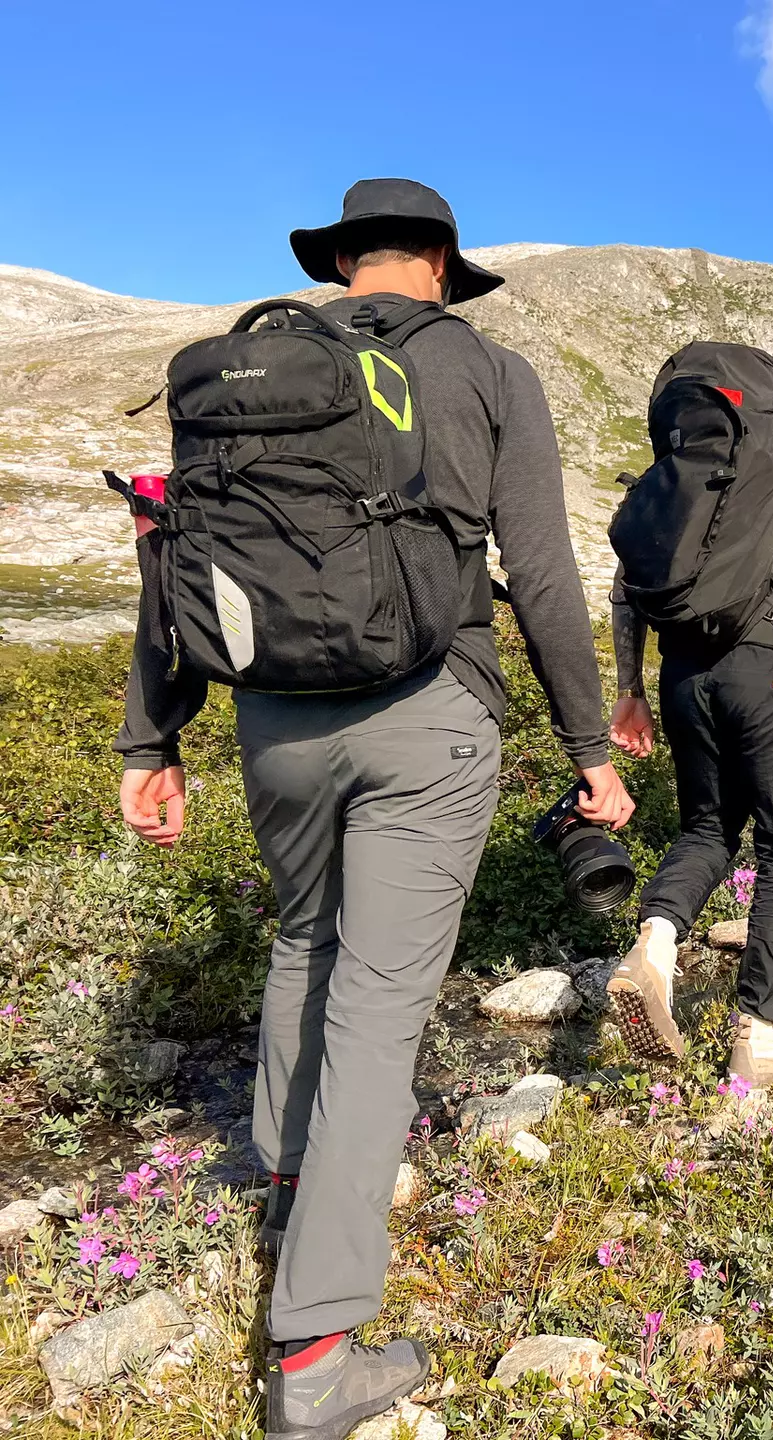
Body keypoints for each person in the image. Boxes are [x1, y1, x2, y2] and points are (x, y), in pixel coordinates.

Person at [114, 178, 632, 1440]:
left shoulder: (255, 367)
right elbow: (543, 569)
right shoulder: (490, 373)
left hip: (271, 717)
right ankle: (317, 1351)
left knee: (306, 941)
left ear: (343, 260)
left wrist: (152, 733)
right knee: (384, 1003)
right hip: (430, 705)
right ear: (444, 266)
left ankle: (287, 1187)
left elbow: (179, 546)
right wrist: (589, 744)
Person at [605, 340, 773, 1089]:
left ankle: (652, 953)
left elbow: (628, 585)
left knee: (706, 828)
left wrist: (631, 688)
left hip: (684, 672)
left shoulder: (692, 462)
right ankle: (761, 1032)